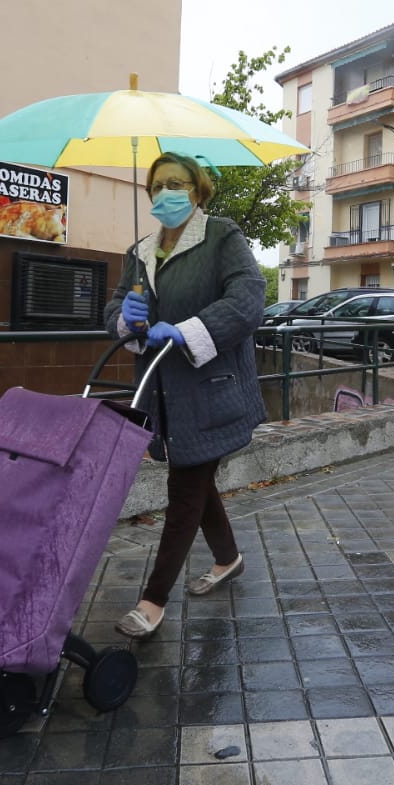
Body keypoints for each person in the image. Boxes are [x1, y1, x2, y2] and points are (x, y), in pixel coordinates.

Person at [103, 153, 267, 640]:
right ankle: (228, 558)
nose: (164, 193)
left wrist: (188, 330)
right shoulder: (140, 250)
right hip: (160, 391)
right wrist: (124, 318)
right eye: (156, 185)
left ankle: (152, 599)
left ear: (197, 190)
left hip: (211, 390)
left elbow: (248, 298)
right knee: (196, 477)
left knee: (185, 487)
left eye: (176, 183)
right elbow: (114, 308)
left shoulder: (222, 236)